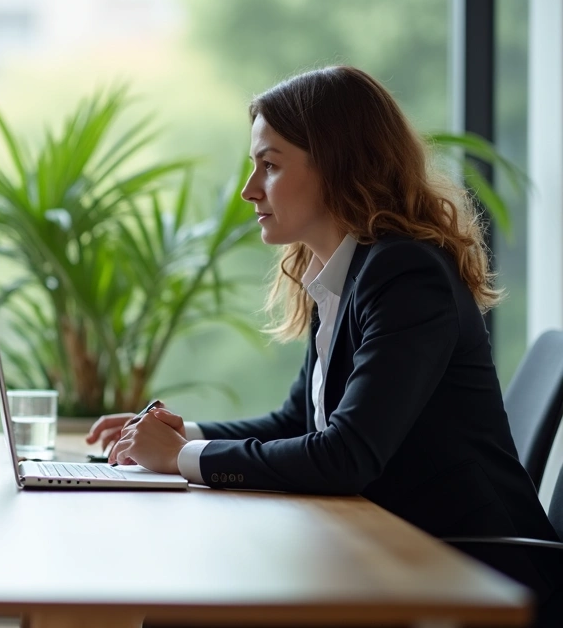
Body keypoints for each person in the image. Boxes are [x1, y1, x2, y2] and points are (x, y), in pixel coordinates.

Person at [86, 66, 562, 621]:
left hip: (469, 572)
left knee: (191, 608)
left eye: (270, 165)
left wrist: (184, 460)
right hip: (395, 551)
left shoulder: (405, 274)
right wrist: (181, 434)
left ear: (337, 164)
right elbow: (298, 421)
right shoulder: (342, 273)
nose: (249, 190)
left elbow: (346, 455)